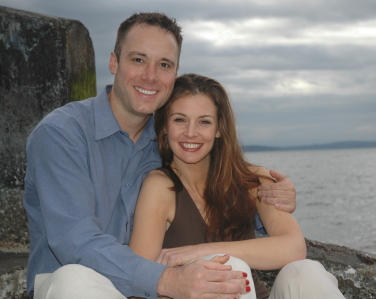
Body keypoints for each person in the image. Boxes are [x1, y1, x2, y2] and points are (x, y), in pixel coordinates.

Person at [23, 12, 298, 299]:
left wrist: (269, 193)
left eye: (163, 64)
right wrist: (167, 280)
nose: (150, 76)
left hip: (145, 288)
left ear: (174, 74)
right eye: (138, 59)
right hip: (80, 287)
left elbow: (213, 190)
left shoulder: (167, 142)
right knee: (74, 279)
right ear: (114, 62)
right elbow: (74, 241)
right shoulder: (62, 134)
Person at [129, 74, 345, 299]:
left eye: (204, 121)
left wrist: (201, 252)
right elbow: (136, 283)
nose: (191, 132)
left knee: (305, 272)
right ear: (164, 126)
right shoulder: (160, 187)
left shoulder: (251, 179)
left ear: (219, 129)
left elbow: (293, 248)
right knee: (225, 269)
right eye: (180, 120)